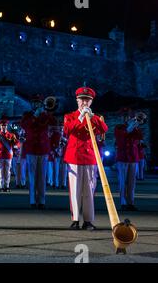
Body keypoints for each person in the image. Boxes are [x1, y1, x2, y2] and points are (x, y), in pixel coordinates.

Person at [64, 87, 108, 230]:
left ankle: (88, 220)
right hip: (74, 156)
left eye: (87, 100)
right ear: (77, 101)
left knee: (89, 190)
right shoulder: (70, 116)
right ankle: (75, 219)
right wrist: (81, 117)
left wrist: (92, 117)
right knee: (75, 190)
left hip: (89, 157)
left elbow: (104, 129)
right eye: (82, 99)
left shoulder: (95, 118)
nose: (84, 102)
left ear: (91, 102)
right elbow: (67, 130)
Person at [20, 94, 57, 209]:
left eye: (38, 103)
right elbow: (25, 126)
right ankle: (32, 200)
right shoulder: (27, 115)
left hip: (43, 149)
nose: (36, 105)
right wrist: (35, 116)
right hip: (31, 149)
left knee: (42, 177)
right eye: (34, 103)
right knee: (32, 177)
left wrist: (47, 112)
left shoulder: (45, 115)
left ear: (41, 104)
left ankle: (41, 200)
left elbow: (54, 123)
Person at [115, 109, 143, 211]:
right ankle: (123, 202)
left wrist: (137, 124)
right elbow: (124, 135)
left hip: (133, 157)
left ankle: (131, 202)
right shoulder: (118, 128)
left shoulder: (135, 128)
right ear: (122, 118)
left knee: (132, 182)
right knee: (122, 181)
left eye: (128, 117)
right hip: (122, 157)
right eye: (125, 117)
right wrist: (131, 125)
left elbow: (140, 136)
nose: (127, 119)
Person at [0, 117, 18, 192]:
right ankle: (2, 186)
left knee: (8, 171)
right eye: (2, 125)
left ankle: (7, 186)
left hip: (8, 155)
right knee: (1, 171)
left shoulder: (11, 135)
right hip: (0, 155)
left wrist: (14, 140)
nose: (3, 127)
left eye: (5, 125)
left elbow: (16, 143)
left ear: (7, 126)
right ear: (0, 126)